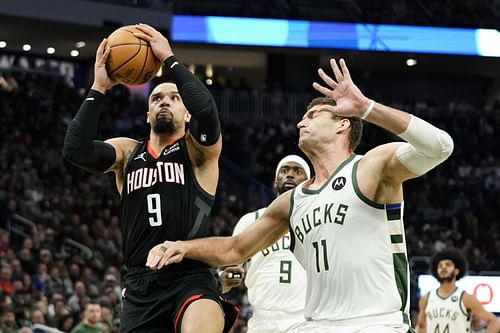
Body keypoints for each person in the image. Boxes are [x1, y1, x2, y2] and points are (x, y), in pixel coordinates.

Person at [146, 58, 455, 333]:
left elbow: (441, 146)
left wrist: (367, 108)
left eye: (313, 115)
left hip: (377, 323)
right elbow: (234, 249)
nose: (300, 121)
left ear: (342, 124)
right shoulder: (292, 201)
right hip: (316, 324)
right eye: (303, 117)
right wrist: (182, 246)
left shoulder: (371, 167)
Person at [63, 23, 237, 333]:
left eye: (174, 97)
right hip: (140, 284)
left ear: (187, 114)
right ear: (147, 114)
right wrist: (99, 87)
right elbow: (76, 150)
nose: (164, 101)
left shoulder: (198, 152)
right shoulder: (128, 154)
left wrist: (169, 58)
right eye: (156, 98)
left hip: (190, 273)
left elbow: (208, 112)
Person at [220, 154, 310, 333]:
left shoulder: (318, 220)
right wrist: (225, 279)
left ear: (309, 183)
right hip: (262, 321)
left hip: (306, 320)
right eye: (284, 171)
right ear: (275, 181)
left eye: (297, 171)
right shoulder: (251, 220)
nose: (290, 175)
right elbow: (227, 268)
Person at [416, 248, 500, 333]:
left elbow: (495, 321)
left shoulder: (466, 298)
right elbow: (421, 326)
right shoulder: (426, 298)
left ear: (456, 271)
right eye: (440, 266)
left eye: (448, 264)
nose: (443, 267)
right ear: (436, 271)